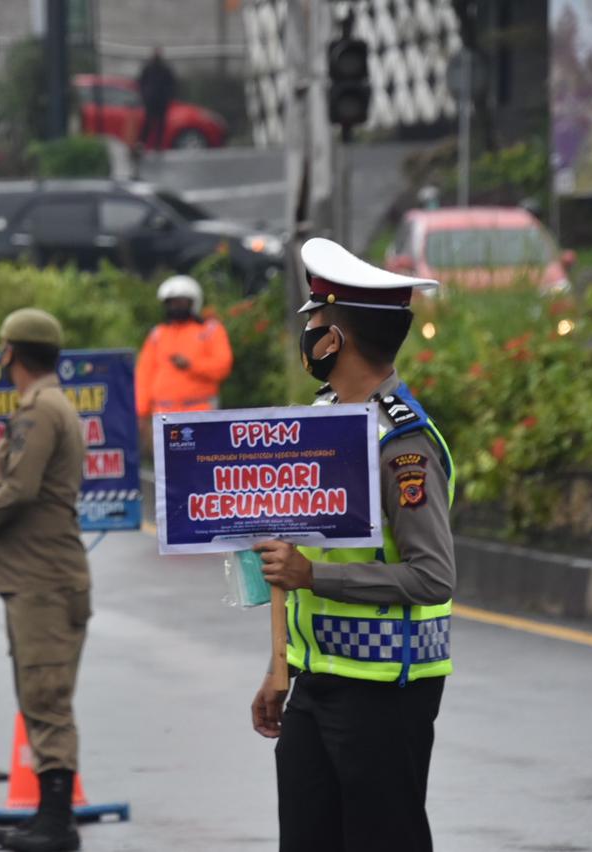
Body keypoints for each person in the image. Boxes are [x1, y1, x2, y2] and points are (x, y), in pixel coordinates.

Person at [250, 237, 455, 852]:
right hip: (316, 680)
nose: (307, 332)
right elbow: (290, 553)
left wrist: (315, 577)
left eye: (314, 320)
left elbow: (432, 577)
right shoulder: (322, 420)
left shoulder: (402, 444)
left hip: (388, 687)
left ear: (334, 338)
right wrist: (280, 664)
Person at [0, 309, 89, 852]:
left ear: (10, 352)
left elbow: (20, 488)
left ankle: (57, 824)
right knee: (38, 695)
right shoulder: (50, 404)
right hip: (39, 578)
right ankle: (46, 815)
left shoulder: (39, 409)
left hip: (44, 582)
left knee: (47, 699)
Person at [135, 275, 234, 440]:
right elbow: (144, 374)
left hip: (200, 414)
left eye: (180, 302)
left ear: (193, 302)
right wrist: (141, 413)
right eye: (171, 302)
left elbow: (223, 366)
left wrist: (191, 365)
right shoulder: (158, 334)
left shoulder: (210, 330)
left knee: (201, 462)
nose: (175, 307)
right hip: (163, 416)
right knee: (166, 465)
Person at [136, 46, 177, 151]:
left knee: (161, 124)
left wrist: (168, 96)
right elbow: (141, 83)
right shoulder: (148, 68)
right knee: (148, 122)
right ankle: (142, 143)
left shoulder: (165, 69)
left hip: (161, 101)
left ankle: (158, 145)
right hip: (150, 100)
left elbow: (171, 84)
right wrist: (145, 95)